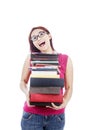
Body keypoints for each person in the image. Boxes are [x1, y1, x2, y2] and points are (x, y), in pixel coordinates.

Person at [20, 26, 73, 130]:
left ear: (49, 36)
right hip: (32, 116)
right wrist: (27, 94)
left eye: (41, 34)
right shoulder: (31, 57)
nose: (38, 38)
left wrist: (64, 102)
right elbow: (22, 82)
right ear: (33, 43)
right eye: (34, 38)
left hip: (56, 118)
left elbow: (69, 87)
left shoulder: (65, 59)